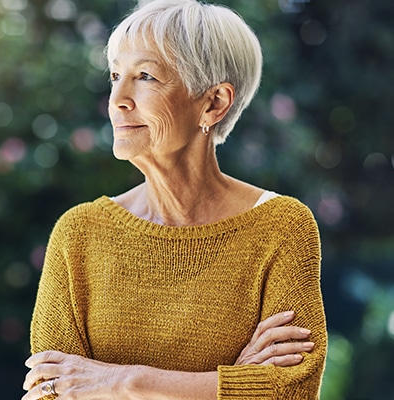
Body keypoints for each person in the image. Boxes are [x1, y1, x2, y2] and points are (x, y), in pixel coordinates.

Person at [21, 0, 327, 399]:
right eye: (116, 76)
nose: (117, 99)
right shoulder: (79, 234)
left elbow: (291, 392)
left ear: (214, 102)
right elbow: (51, 392)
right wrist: (231, 381)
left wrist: (124, 383)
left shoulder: (282, 227)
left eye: (145, 76)